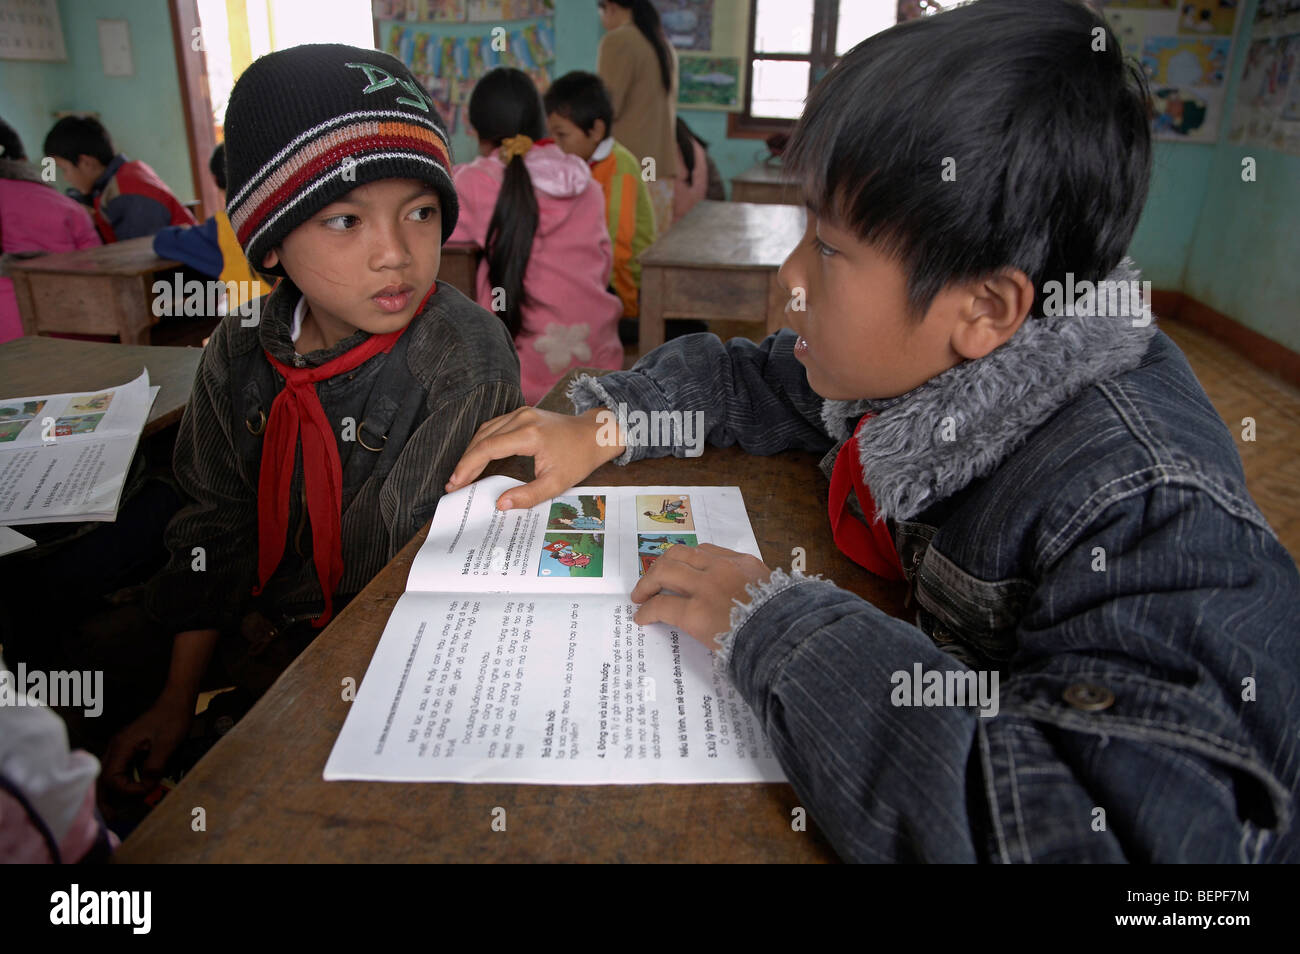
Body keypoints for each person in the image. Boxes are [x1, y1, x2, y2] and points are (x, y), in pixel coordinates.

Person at [446, 0, 1300, 862]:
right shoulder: (925, 361)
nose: (788, 279)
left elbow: (1088, 835)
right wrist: (604, 424)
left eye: (827, 247)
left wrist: (772, 626)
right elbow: (754, 378)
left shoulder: (1147, 509)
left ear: (985, 306)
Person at [91, 44, 523, 796]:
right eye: (345, 220)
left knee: (237, 787)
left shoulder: (463, 357)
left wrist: (249, 701)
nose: (395, 253)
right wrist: (176, 697)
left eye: (420, 212)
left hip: (379, 652)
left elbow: (393, 580)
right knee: (75, 669)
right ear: (272, 242)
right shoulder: (236, 351)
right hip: (250, 621)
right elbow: (213, 526)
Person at [450, 67, 622, 404]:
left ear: (478, 133)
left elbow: (435, 232)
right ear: (541, 122)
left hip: (517, 384)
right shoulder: (584, 180)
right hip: (601, 371)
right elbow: (602, 266)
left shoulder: (476, 182)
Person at [544, 70, 656, 322]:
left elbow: (620, 249)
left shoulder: (620, 166)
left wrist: (625, 309)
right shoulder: (580, 164)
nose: (556, 144)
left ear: (595, 130)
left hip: (627, 288)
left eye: (562, 135)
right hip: (596, 275)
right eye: (552, 135)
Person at [0, 117, 101, 342]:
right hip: (85, 332)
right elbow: (98, 267)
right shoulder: (69, 207)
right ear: (24, 160)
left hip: (9, 343)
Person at [42, 115, 196, 242]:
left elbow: (139, 260)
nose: (65, 178)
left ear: (86, 163)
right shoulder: (121, 177)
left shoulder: (127, 193)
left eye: (64, 170)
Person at [152, 142, 266, 313]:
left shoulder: (221, 230)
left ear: (214, 179)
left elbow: (162, 242)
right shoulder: (287, 213)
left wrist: (185, 229)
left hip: (255, 327)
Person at [596, 0, 679, 233]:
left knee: (623, 251)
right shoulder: (662, 44)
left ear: (610, 7)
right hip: (656, 168)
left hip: (629, 167)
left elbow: (609, 108)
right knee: (650, 249)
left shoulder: (618, 41)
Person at [672, 117, 725, 221]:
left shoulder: (664, 154)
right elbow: (718, 192)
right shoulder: (700, 150)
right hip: (700, 218)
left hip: (673, 224)